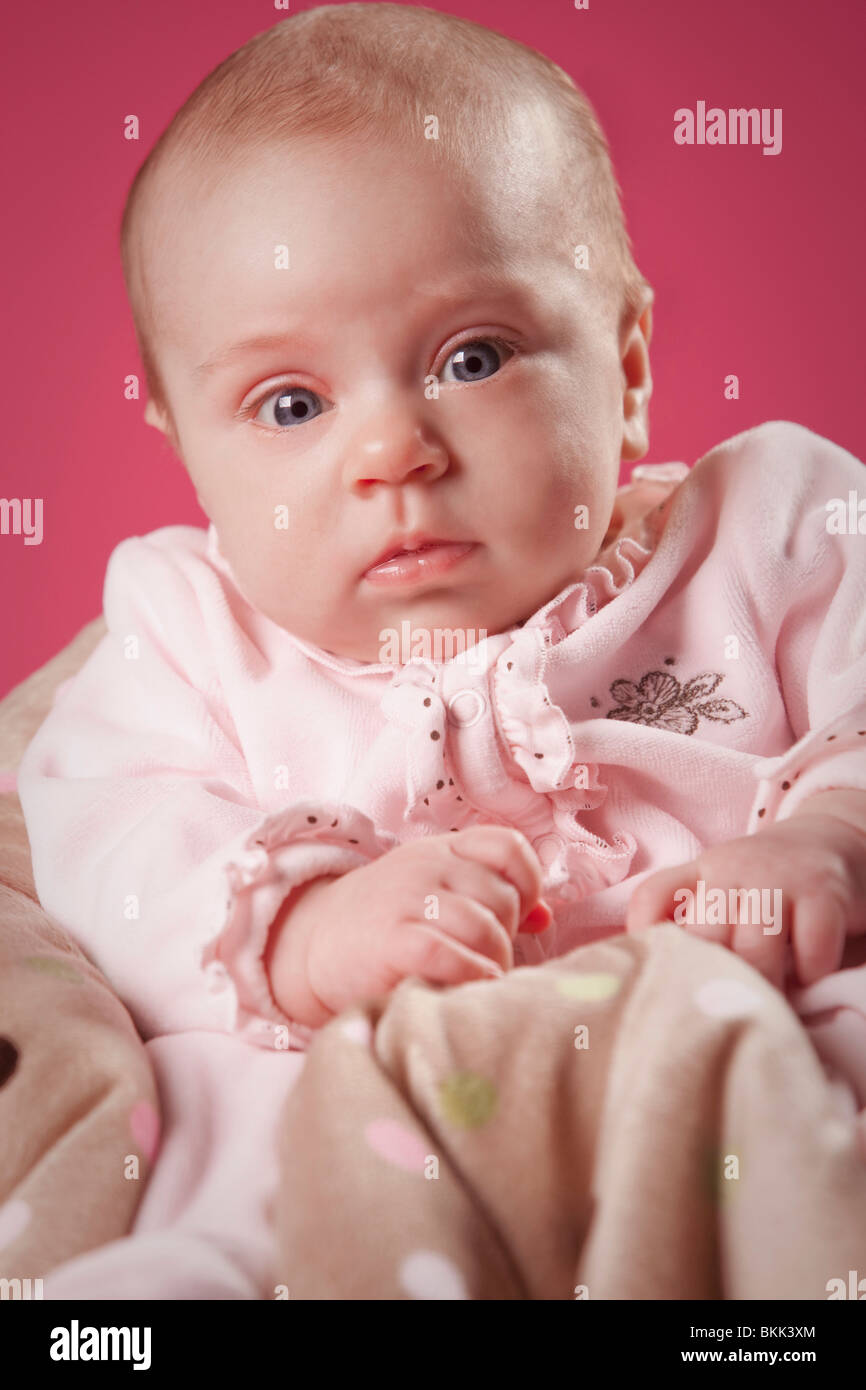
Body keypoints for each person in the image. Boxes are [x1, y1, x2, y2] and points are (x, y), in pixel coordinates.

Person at [16, 3, 866, 1298]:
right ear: (187, 443)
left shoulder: (768, 529)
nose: (392, 451)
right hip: (362, 1102)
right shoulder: (186, 634)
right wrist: (301, 931)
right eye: (290, 402)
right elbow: (101, 849)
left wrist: (827, 838)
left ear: (626, 366)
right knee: (212, 1153)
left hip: (714, 1057)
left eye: (472, 356)